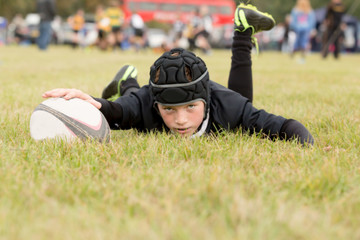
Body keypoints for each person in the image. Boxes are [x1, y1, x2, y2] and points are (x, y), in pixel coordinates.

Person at [42, 3, 314, 146]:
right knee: (132, 99)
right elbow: (115, 111)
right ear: (156, 103)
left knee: (243, 109)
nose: (181, 120)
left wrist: (310, 149)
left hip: (227, 103)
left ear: (206, 100)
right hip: (141, 96)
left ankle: (242, 30)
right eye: (169, 109)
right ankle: (128, 78)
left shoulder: (226, 105)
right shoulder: (146, 103)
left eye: (191, 107)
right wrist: (88, 101)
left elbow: (284, 127)